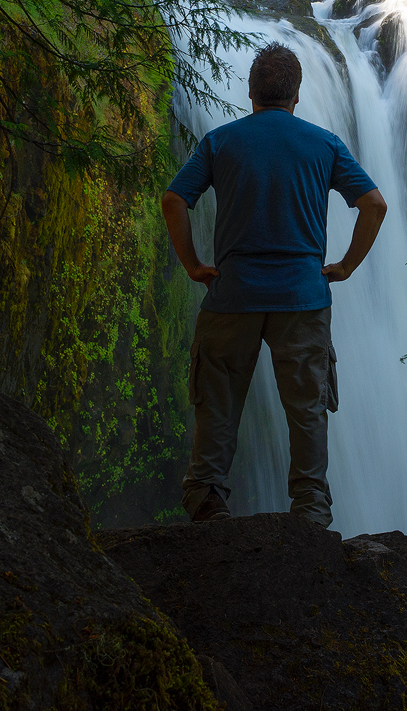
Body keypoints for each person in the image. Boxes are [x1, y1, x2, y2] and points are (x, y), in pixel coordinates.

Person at [161, 43, 388, 526]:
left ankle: (206, 500)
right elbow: (374, 204)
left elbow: (174, 200)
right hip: (302, 299)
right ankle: (309, 511)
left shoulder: (221, 142)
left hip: (232, 295)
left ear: (250, 92)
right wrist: (345, 265)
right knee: (306, 409)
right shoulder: (324, 144)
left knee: (217, 401)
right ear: (297, 95)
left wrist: (193, 265)